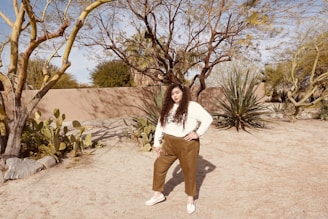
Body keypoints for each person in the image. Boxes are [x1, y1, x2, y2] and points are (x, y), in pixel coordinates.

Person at [144, 83, 213, 214]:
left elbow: (208, 119)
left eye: (177, 92)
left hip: (187, 144)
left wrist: (197, 133)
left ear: (183, 93)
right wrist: (157, 143)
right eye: (172, 94)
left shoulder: (192, 106)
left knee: (189, 172)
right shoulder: (168, 108)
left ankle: (190, 200)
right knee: (159, 166)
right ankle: (158, 195)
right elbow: (160, 125)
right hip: (169, 143)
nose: (174, 96)